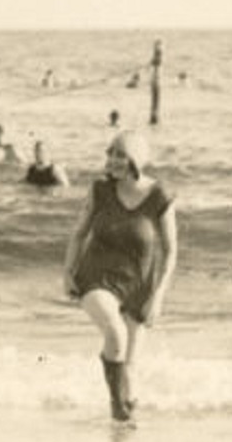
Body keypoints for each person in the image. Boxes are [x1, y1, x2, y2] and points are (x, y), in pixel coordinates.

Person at [64, 130, 177, 422]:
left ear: (136, 160)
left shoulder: (159, 195)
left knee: (131, 367)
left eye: (120, 155)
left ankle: (123, 427)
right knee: (116, 334)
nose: (112, 160)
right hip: (97, 277)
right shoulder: (100, 190)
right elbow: (78, 234)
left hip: (140, 283)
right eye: (110, 153)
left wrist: (158, 297)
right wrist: (67, 273)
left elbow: (171, 251)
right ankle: (117, 407)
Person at [148, 40, 163, 125]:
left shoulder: (158, 56)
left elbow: (157, 62)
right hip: (155, 80)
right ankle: (154, 116)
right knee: (155, 100)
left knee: (155, 100)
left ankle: (154, 116)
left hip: (156, 80)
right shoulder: (157, 57)